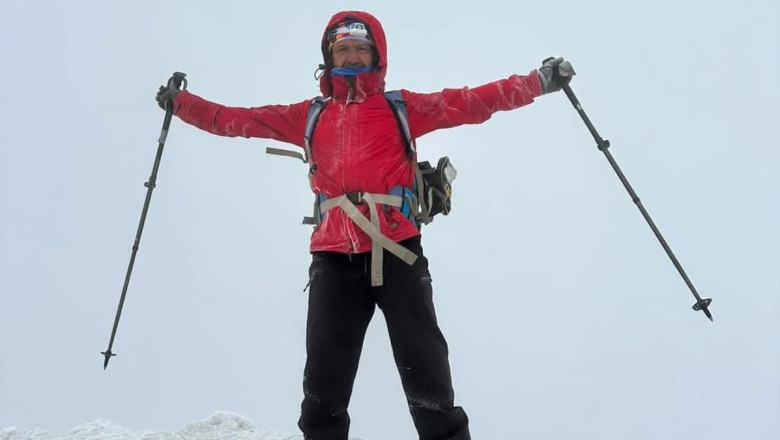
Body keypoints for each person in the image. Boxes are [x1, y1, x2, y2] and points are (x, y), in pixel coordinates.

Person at [156, 10, 574, 440]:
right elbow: (235, 119)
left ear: (377, 56)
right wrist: (182, 103)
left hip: (398, 253)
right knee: (322, 386)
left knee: (428, 376)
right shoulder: (309, 114)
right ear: (329, 56)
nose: (352, 56)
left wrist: (539, 82)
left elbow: (476, 101)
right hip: (333, 259)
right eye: (343, 49)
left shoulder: (401, 107)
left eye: (361, 48)